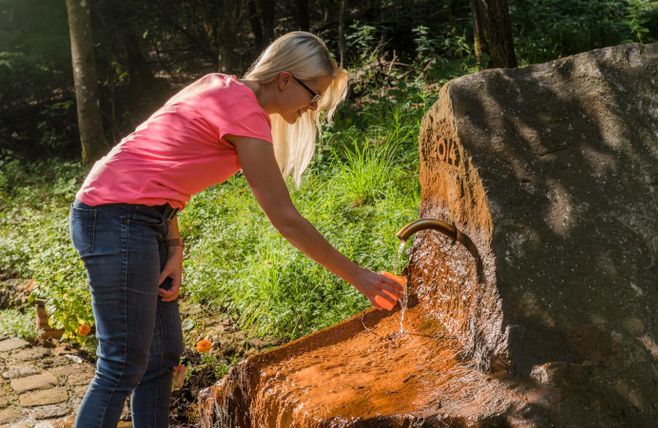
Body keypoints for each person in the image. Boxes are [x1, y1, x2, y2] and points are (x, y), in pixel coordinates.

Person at [68, 31, 405, 428]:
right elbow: (285, 218)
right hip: (113, 218)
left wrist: (172, 243)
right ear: (285, 79)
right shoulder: (242, 110)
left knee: (161, 358)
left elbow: (157, 167)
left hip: (145, 219)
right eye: (313, 95)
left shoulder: (221, 88)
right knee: (123, 363)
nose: (312, 107)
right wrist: (358, 275)